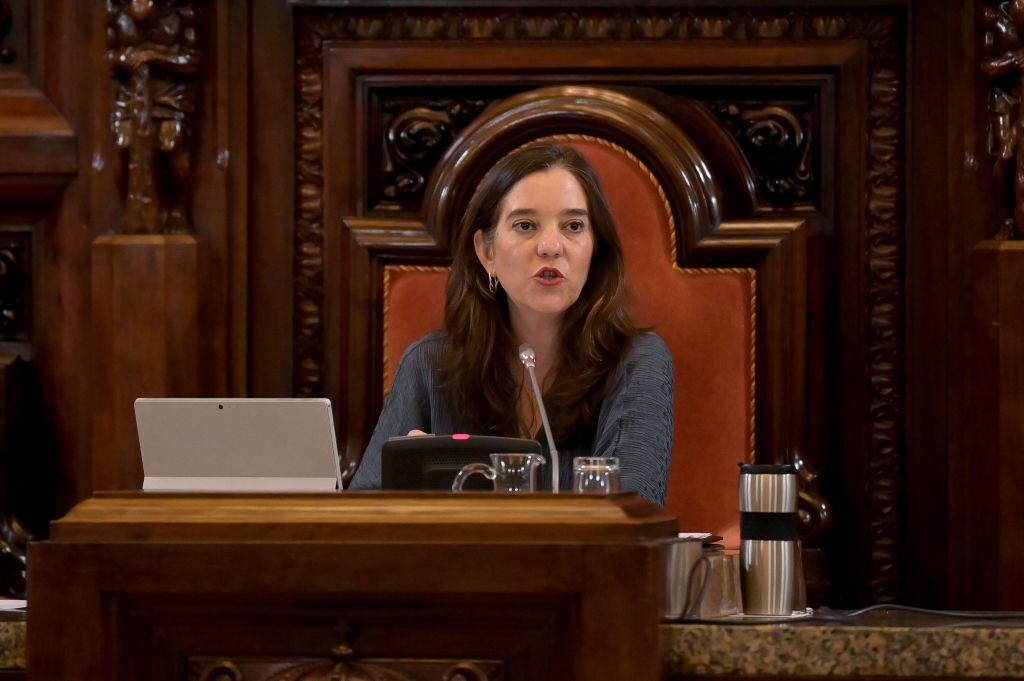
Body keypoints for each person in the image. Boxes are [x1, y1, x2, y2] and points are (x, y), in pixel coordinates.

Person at [349, 142, 674, 504]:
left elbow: (634, 516)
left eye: (573, 226)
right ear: (487, 252)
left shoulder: (636, 361)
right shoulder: (429, 364)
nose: (551, 246)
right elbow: (361, 517)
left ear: (595, 249)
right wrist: (412, 497)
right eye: (525, 225)